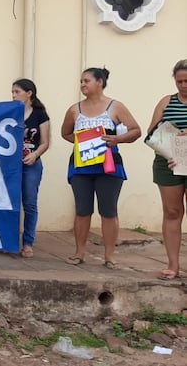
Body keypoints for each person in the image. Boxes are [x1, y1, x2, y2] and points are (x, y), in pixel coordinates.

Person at [60, 67, 140, 269]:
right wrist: (83, 143)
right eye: (81, 81)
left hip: (109, 166)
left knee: (108, 210)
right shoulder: (74, 109)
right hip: (82, 166)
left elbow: (135, 130)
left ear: (100, 82)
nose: (82, 85)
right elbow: (65, 133)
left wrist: (116, 139)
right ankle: (79, 252)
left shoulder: (115, 107)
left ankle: (110, 255)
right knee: (82, 210)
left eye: (86, 80)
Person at [146, 59, 187, 280]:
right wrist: (173, 152)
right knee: (172, 212)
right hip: (167, 161)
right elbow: (152, 133)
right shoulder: (166, 102)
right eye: (179, 81)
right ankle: (173, 264)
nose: (183, 85)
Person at [12, 79, 50, 258]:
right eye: (12, 92)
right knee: (9, 202)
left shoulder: (40, 115)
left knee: (29, 203)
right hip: (10, 164)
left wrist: (34, 155)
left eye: (17, 92)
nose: (13, 95)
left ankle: (27, 242)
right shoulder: (11, 112)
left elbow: (45, 142)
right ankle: (8, 240)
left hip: (31, 164)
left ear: (29, 93)